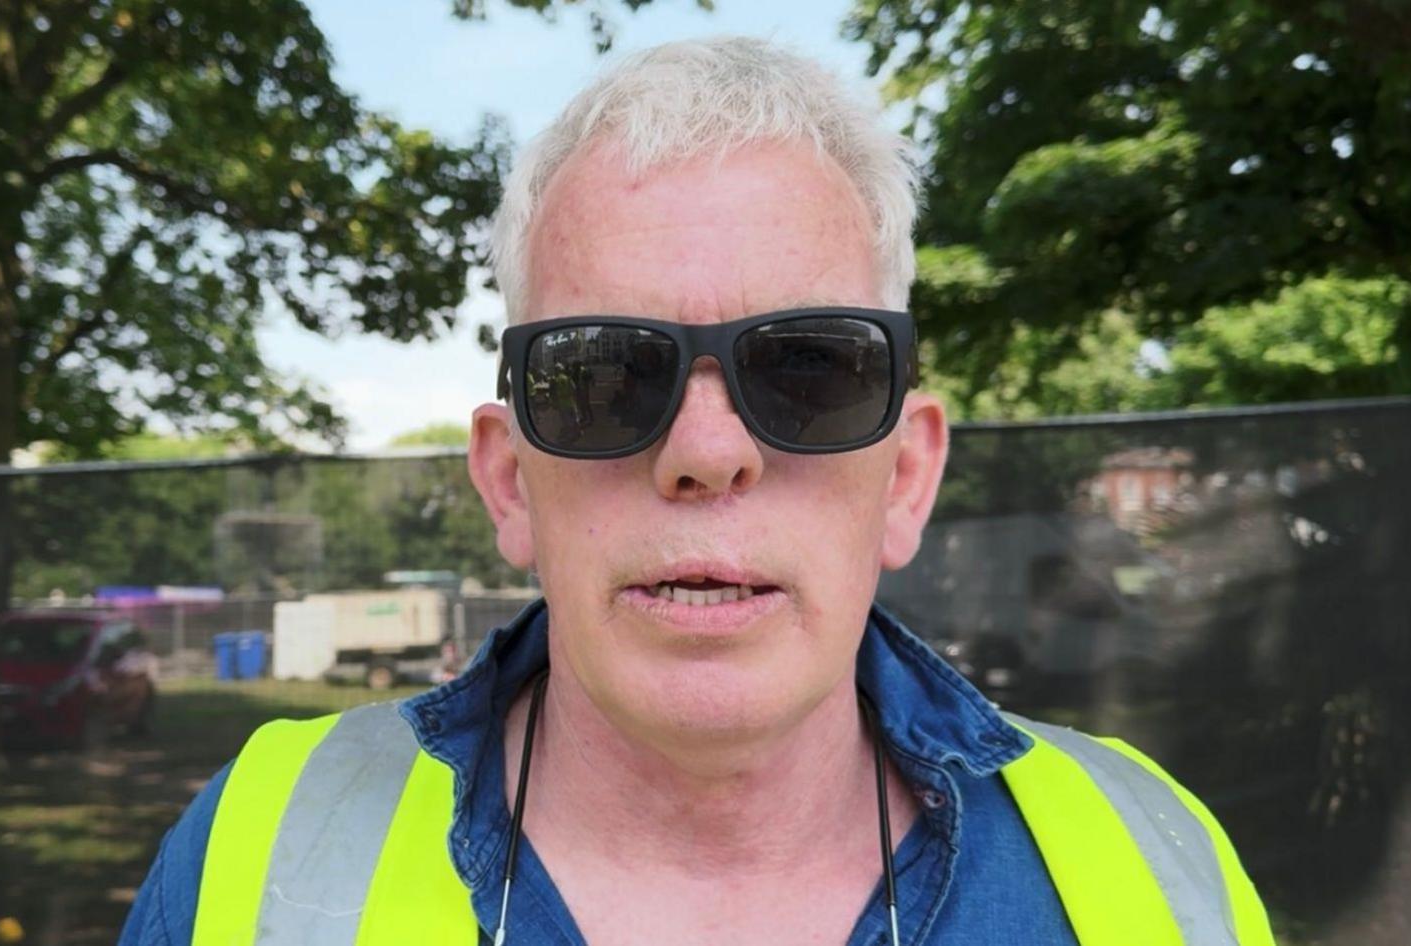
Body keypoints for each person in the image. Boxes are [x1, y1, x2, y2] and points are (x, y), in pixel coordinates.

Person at [119, 37, 1274, 946]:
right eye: (605, 375)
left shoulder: (1159, 866)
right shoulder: (254, 855)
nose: (706, 450)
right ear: (508, 480)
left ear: (907, 477)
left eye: (812, 368)